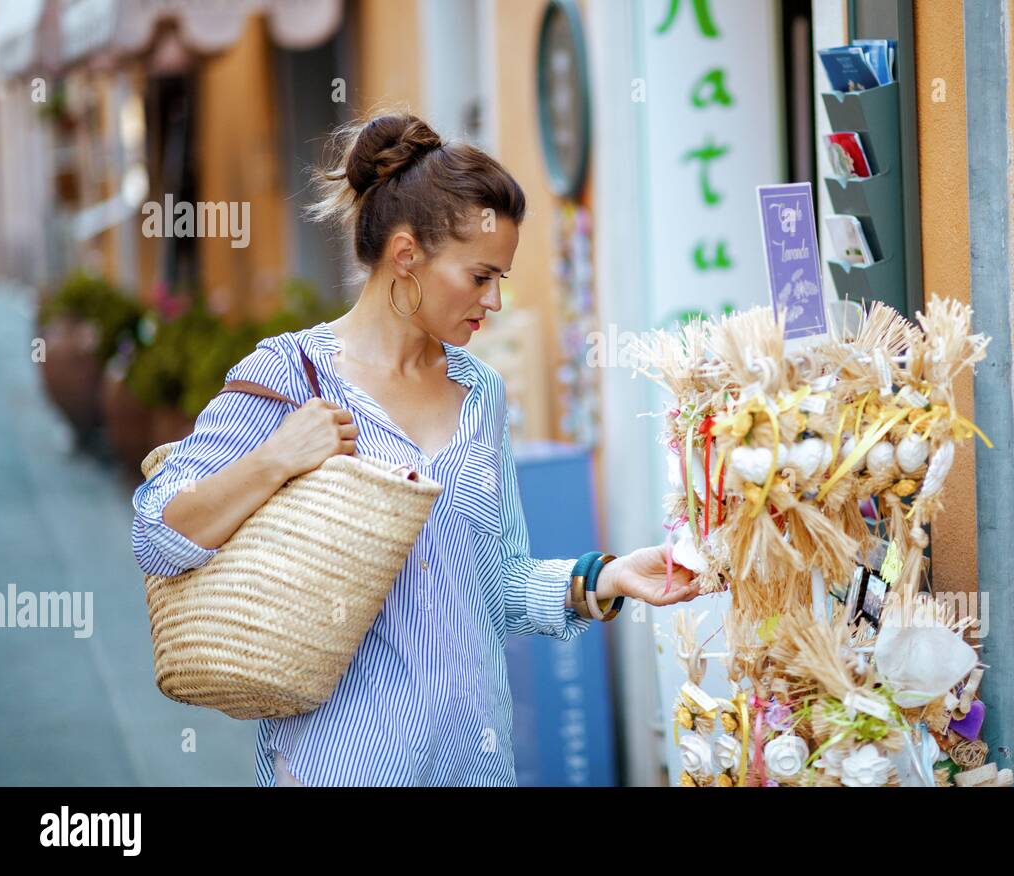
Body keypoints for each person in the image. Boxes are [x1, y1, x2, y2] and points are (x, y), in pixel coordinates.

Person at [131, 111, 701, 786]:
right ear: (407, 256)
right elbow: (155, 534)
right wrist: (276, 458)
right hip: (340, 765)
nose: (494, 301)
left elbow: (499, 585)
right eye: (480, 276)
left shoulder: (481, 393)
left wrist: (605, 578)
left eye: (502, 281)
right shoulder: (292, 373)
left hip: (475, 763)